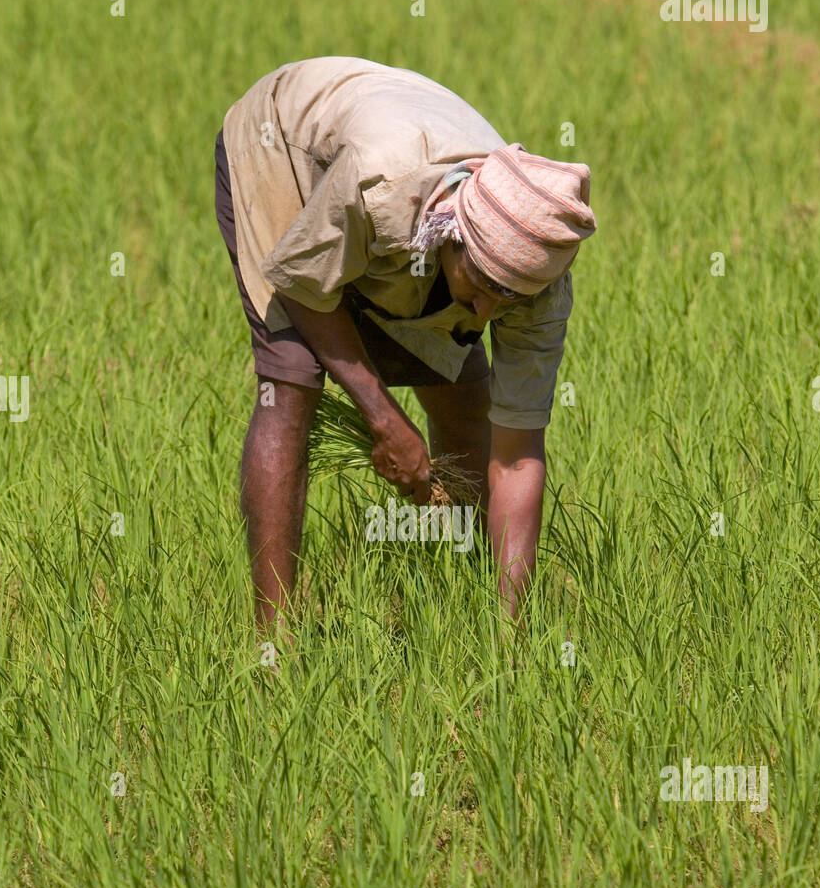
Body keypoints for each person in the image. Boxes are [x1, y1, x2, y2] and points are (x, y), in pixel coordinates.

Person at [214, 56, 597, 625]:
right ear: (452, 236)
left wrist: (515, 639)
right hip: (285, 145)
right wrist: (385, 418)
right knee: (292, 380)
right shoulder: (379, 184)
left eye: (509, 299)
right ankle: (275, 638)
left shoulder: (535, 278)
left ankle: (477, 603)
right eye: (485, 286)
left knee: (468, 398)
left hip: (400, 172)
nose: (490, 311)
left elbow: (518, 455)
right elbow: (302, 286)